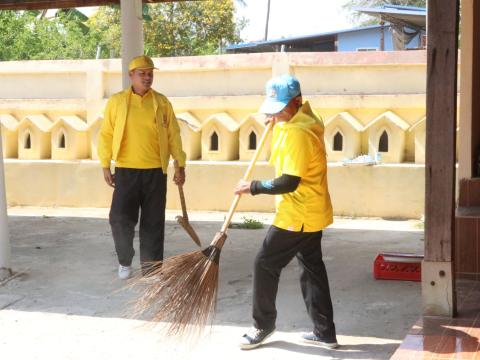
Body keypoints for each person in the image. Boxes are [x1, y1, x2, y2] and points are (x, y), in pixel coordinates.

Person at [234, 74, 338, 350]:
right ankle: (325, 332)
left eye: (280, 108)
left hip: (298, 214)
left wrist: (253, 186)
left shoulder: (297, 132)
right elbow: (287, 128)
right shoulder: (305, 118)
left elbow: (288, 181)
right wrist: (277, 121)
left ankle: (262, 326)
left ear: (297, 101)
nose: (275, 113)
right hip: (313, 209)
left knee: (265, 263)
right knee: (312, 268)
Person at [97, 55, 186, 280]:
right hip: (126, 170)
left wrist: (180, 163)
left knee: (153, 222)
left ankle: (152, 268)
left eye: (150, 73)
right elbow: (106, 134)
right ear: (131, 76)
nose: (147, 78)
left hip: (156, 170)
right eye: (142, 73)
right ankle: (124, 260)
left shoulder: (162, 102)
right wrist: (105, 164)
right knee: (119, 218)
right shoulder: (117, 102)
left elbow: (173, 134)